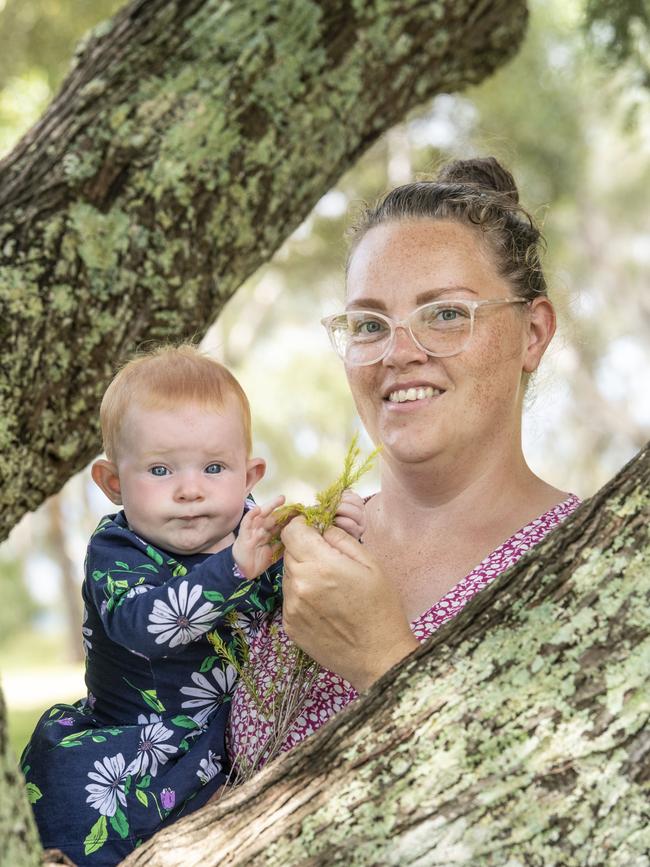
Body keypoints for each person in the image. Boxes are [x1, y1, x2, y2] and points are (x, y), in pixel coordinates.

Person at [228, 156, 582, 768]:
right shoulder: (309, 541)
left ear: (533, 332)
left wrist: (382, 659)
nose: (399, 353)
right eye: (369, 323)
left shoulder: (587, 556)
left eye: (446, 313)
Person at [21, 344, 364, 866]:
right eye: (160, 471)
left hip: (223, 753)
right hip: (131, 744)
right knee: (73, 794)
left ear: (249, 477)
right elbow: (142, 626)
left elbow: (301, 599)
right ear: (113, 484)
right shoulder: (118, 549)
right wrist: (234, 568)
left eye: (213, 467)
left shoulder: (253, 536)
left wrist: (332, 532)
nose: (189, 490)